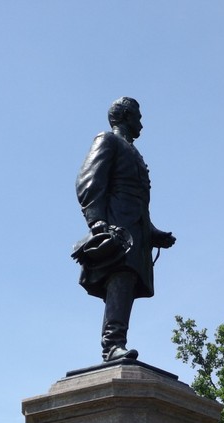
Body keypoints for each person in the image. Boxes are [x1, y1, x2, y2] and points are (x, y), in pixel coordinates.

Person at [74, 97, 175, 362]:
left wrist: (153, 233)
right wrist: (97, 223)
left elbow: (137, 201)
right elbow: (88, 181)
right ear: (127, 115)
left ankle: (116, 342)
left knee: (126, 284)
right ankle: (112, 345)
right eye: (138, 116)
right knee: (120, 279)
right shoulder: (107, 140)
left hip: (136, 232)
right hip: (117, 231)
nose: (141, 122)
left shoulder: (134, 152)